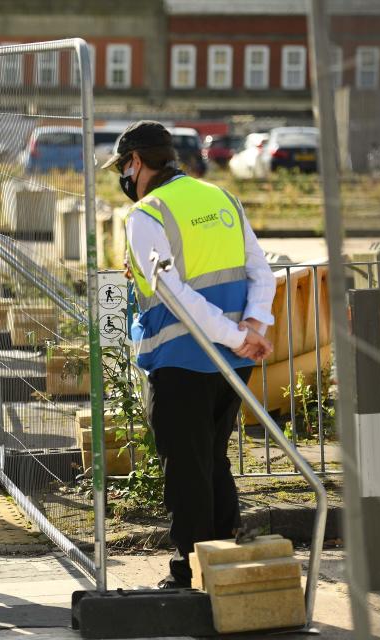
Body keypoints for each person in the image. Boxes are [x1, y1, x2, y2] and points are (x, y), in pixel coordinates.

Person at [102, 120, 275, 589]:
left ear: (135, 162)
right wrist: (252, 327)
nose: (123, 176)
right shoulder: (220, 198)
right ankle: (223, 557)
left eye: (123, 166)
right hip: (231, 363)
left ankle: (191, 567)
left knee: (185, 465)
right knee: (212, 458)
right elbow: (262, 270)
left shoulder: (147, 214)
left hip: (182, 359)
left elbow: (176, 295)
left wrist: (237, 336)